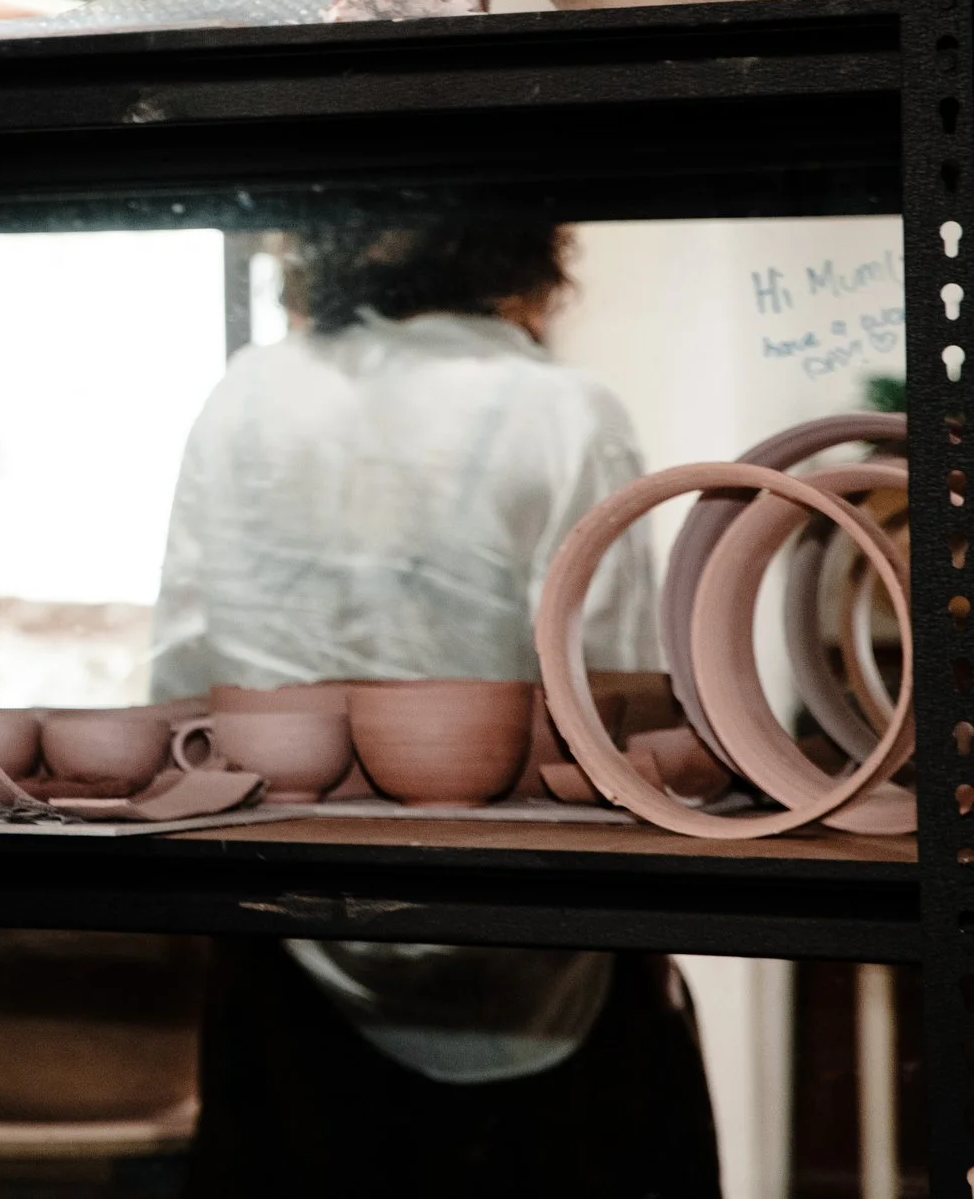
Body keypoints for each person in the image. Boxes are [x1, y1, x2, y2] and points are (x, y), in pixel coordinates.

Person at [154, 219, 719, 1199]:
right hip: (538, 969)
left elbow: (177, 684)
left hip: (290, 963)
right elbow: (611, 714)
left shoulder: (244, 396)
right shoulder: (564, 410)